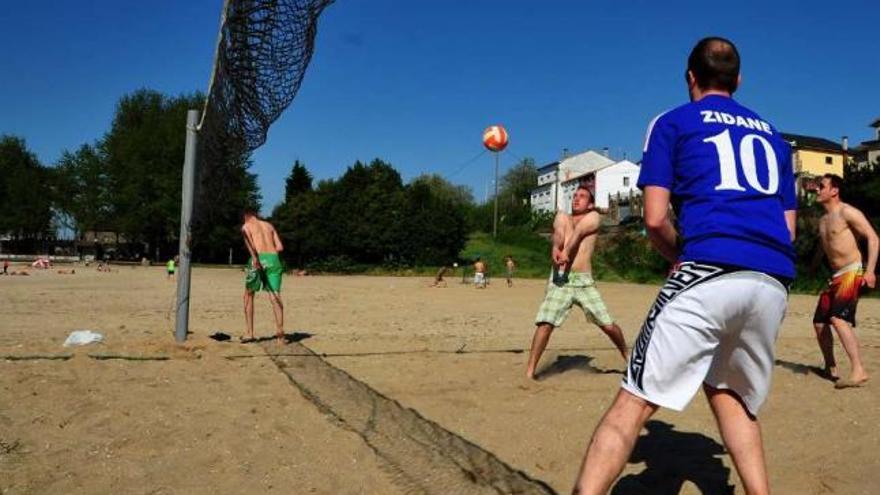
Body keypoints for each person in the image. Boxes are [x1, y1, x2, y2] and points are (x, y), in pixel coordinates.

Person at [573, 37, 797, 495]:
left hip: (708, 268)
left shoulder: (673, 121)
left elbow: (654, 218)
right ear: (738, 80)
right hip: (771, 279)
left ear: (690, 78)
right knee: (731, 396)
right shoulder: (774, 136)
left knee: (632, 403)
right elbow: (788, 230)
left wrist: (681, 258)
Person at [525, 184, 628, 380]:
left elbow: (579, 233)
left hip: (583, 281)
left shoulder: (593, 217)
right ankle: (530, 371)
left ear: (590, 204)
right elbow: (559, 234)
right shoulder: (562, 216)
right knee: (545, 324)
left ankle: (628, 356)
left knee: (607, 325)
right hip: (561, 279)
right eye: (574, 195)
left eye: (582, 196)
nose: (576, 198)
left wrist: (565, 252)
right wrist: (555, 247)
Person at [812, 173, 877, 389]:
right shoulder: (822, 221)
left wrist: (870, 271)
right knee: (820, 323)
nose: (817, 190)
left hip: (852, 271)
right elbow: (825, 248)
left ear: (834, 190)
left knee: (838, 319)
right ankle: (831, 367)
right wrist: (813, 268)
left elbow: (873, 238)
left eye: (821, 186)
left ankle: (859, 370)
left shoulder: (847, 212)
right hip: (835, 277)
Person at [241, 210, 286, 344]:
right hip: (274, 259)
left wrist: (257, 258)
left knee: (248, 295)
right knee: (275, 296)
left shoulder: (246, 227)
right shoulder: (269, 225)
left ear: (245, 217)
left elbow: (251, 246)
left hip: (258, 259)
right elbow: (280, 247)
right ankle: (280, 335)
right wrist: (269, 253)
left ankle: (250, 333)